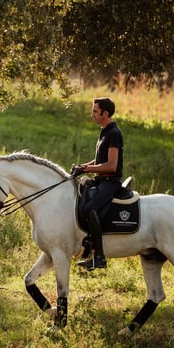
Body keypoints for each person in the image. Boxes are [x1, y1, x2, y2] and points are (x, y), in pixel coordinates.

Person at [71, 97, 124, 271]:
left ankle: (99, 256)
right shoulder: (104, 131)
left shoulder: (114, 133)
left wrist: (86, 170)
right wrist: (83, 166)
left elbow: (111, 165)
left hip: (111, 182)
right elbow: (100, 159)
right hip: (101, 179)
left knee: (89, 209)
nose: (92, 114)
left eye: (95, 111)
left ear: (105, 113)